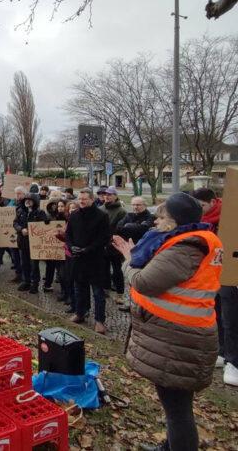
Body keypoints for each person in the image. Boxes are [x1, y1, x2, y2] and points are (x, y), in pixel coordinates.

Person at [112, 193, 223, 451]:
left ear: (173, 222)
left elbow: (144, 281)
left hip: (180, 339)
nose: (156, 222)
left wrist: (128, 259)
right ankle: (170, 445)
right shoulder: (199, 241)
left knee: (178, 410)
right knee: (175, 404)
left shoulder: (185, 248)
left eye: (161, 218)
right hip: (180, 336)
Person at [192, 188, 236, 386]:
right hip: (210, 274)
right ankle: (222, 351)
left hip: (228, 274)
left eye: (201, 206)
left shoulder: (227, 217)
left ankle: (233, 361)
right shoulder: (202, 221)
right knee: (215, 313)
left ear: (212, 202)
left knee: (230, 318)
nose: (199, 210)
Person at [67, 189, 111, 334]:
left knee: (98, 292)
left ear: (92, 199)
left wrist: (88, 249)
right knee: (80, 288)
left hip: (95, 259)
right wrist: (71, 246)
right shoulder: (74, 215)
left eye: (85, 199)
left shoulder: (102, 216)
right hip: (78, 259)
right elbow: (69, 234)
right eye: (80, 199)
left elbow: (104, 237)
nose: (82, 201)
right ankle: (80, 313)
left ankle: (99, 320)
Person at [13, 193, 49, 294]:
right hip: (23, 242)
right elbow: (15, 223)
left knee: (34, 265)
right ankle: (26, 281)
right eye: (26, 200)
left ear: (34, 202)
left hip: (34, 244)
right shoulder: (20, 211)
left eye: (30, 200)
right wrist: (21, 229)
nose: (27, 202)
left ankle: (35, 284)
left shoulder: (39, 212)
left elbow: (44, 225)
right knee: (24, 263)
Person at [100, 187, 127, 295]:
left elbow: (121, 229)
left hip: (115, 244)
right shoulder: (100, 209)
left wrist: (113, 240)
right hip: (102, 243)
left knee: (117, 269)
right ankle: (106, 288)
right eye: (105, 194)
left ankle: (120, 291)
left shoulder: (121, 211)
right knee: (104, 268)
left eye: (110, 194)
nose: (107, 196)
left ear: (115, 196)